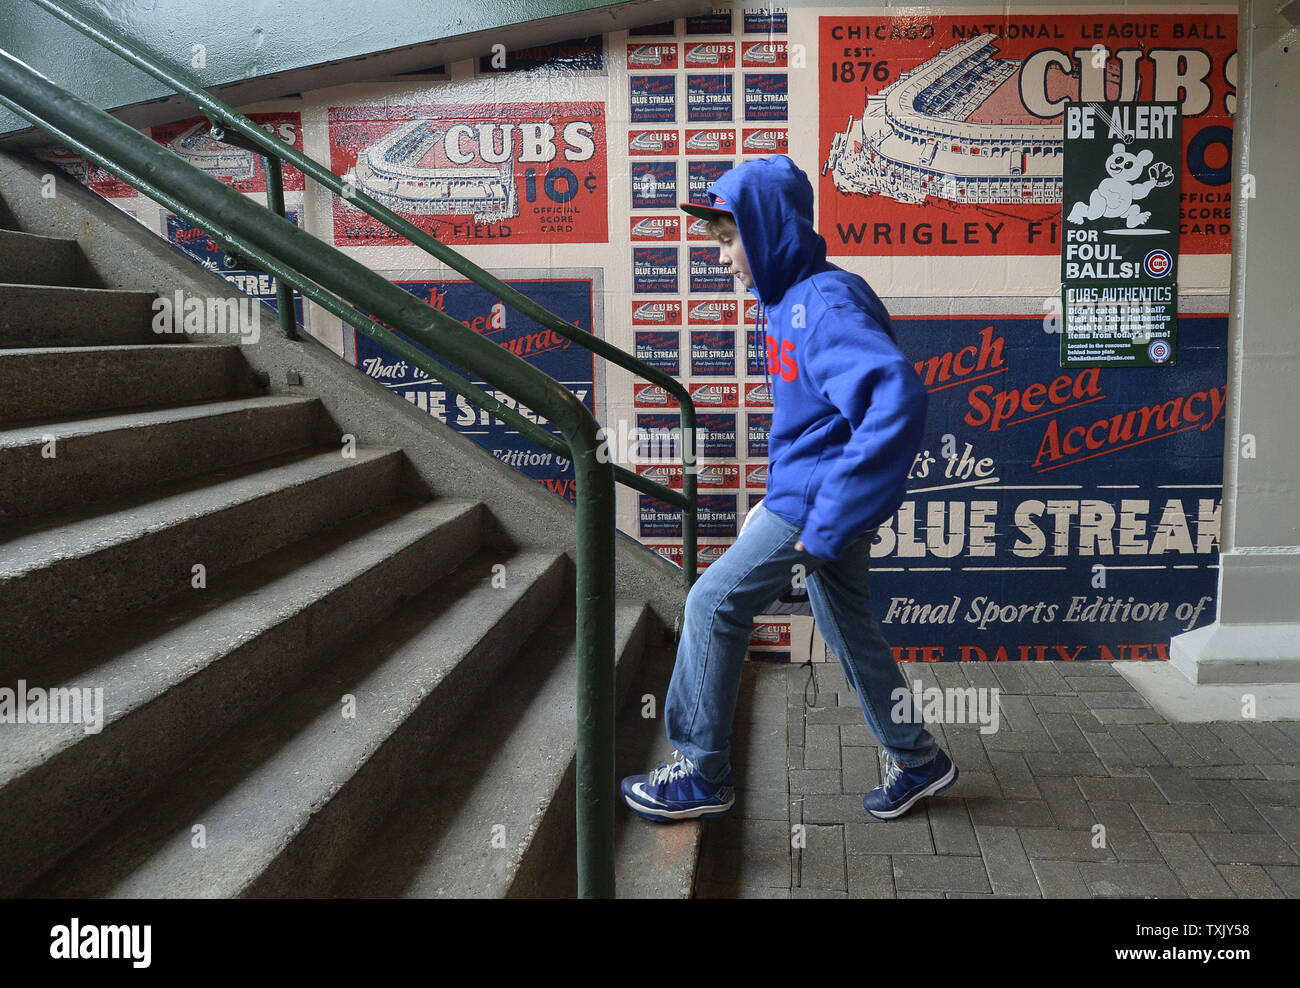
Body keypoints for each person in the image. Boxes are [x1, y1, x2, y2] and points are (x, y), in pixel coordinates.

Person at [619, 155, 957, 823]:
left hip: (818, 504)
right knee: (847, 624)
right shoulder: (788, 299)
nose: (723, 258)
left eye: (728, 239)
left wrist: (823, 515)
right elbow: (816, 420)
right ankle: (918, 760)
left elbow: (895, 399)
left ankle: (702, 776)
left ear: (769, 229)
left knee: (714, 603)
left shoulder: (821, 304)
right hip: (809, 498)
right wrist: (779, 498)